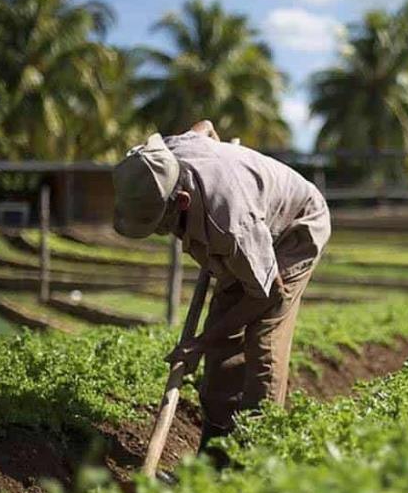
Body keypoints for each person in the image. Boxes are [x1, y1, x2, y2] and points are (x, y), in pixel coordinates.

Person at [113, 120, 331, 465]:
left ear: (182, 200)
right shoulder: (163, 157)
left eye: (161, 224)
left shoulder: (230, 225)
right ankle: (216, 452)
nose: (162, 233)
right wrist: (218, 148)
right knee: (222, 341)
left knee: (264, 340)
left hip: (294, 228)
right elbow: (205, 127)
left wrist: (200, 341)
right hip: (249, 230)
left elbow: (266, 294)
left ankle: (254, 458)